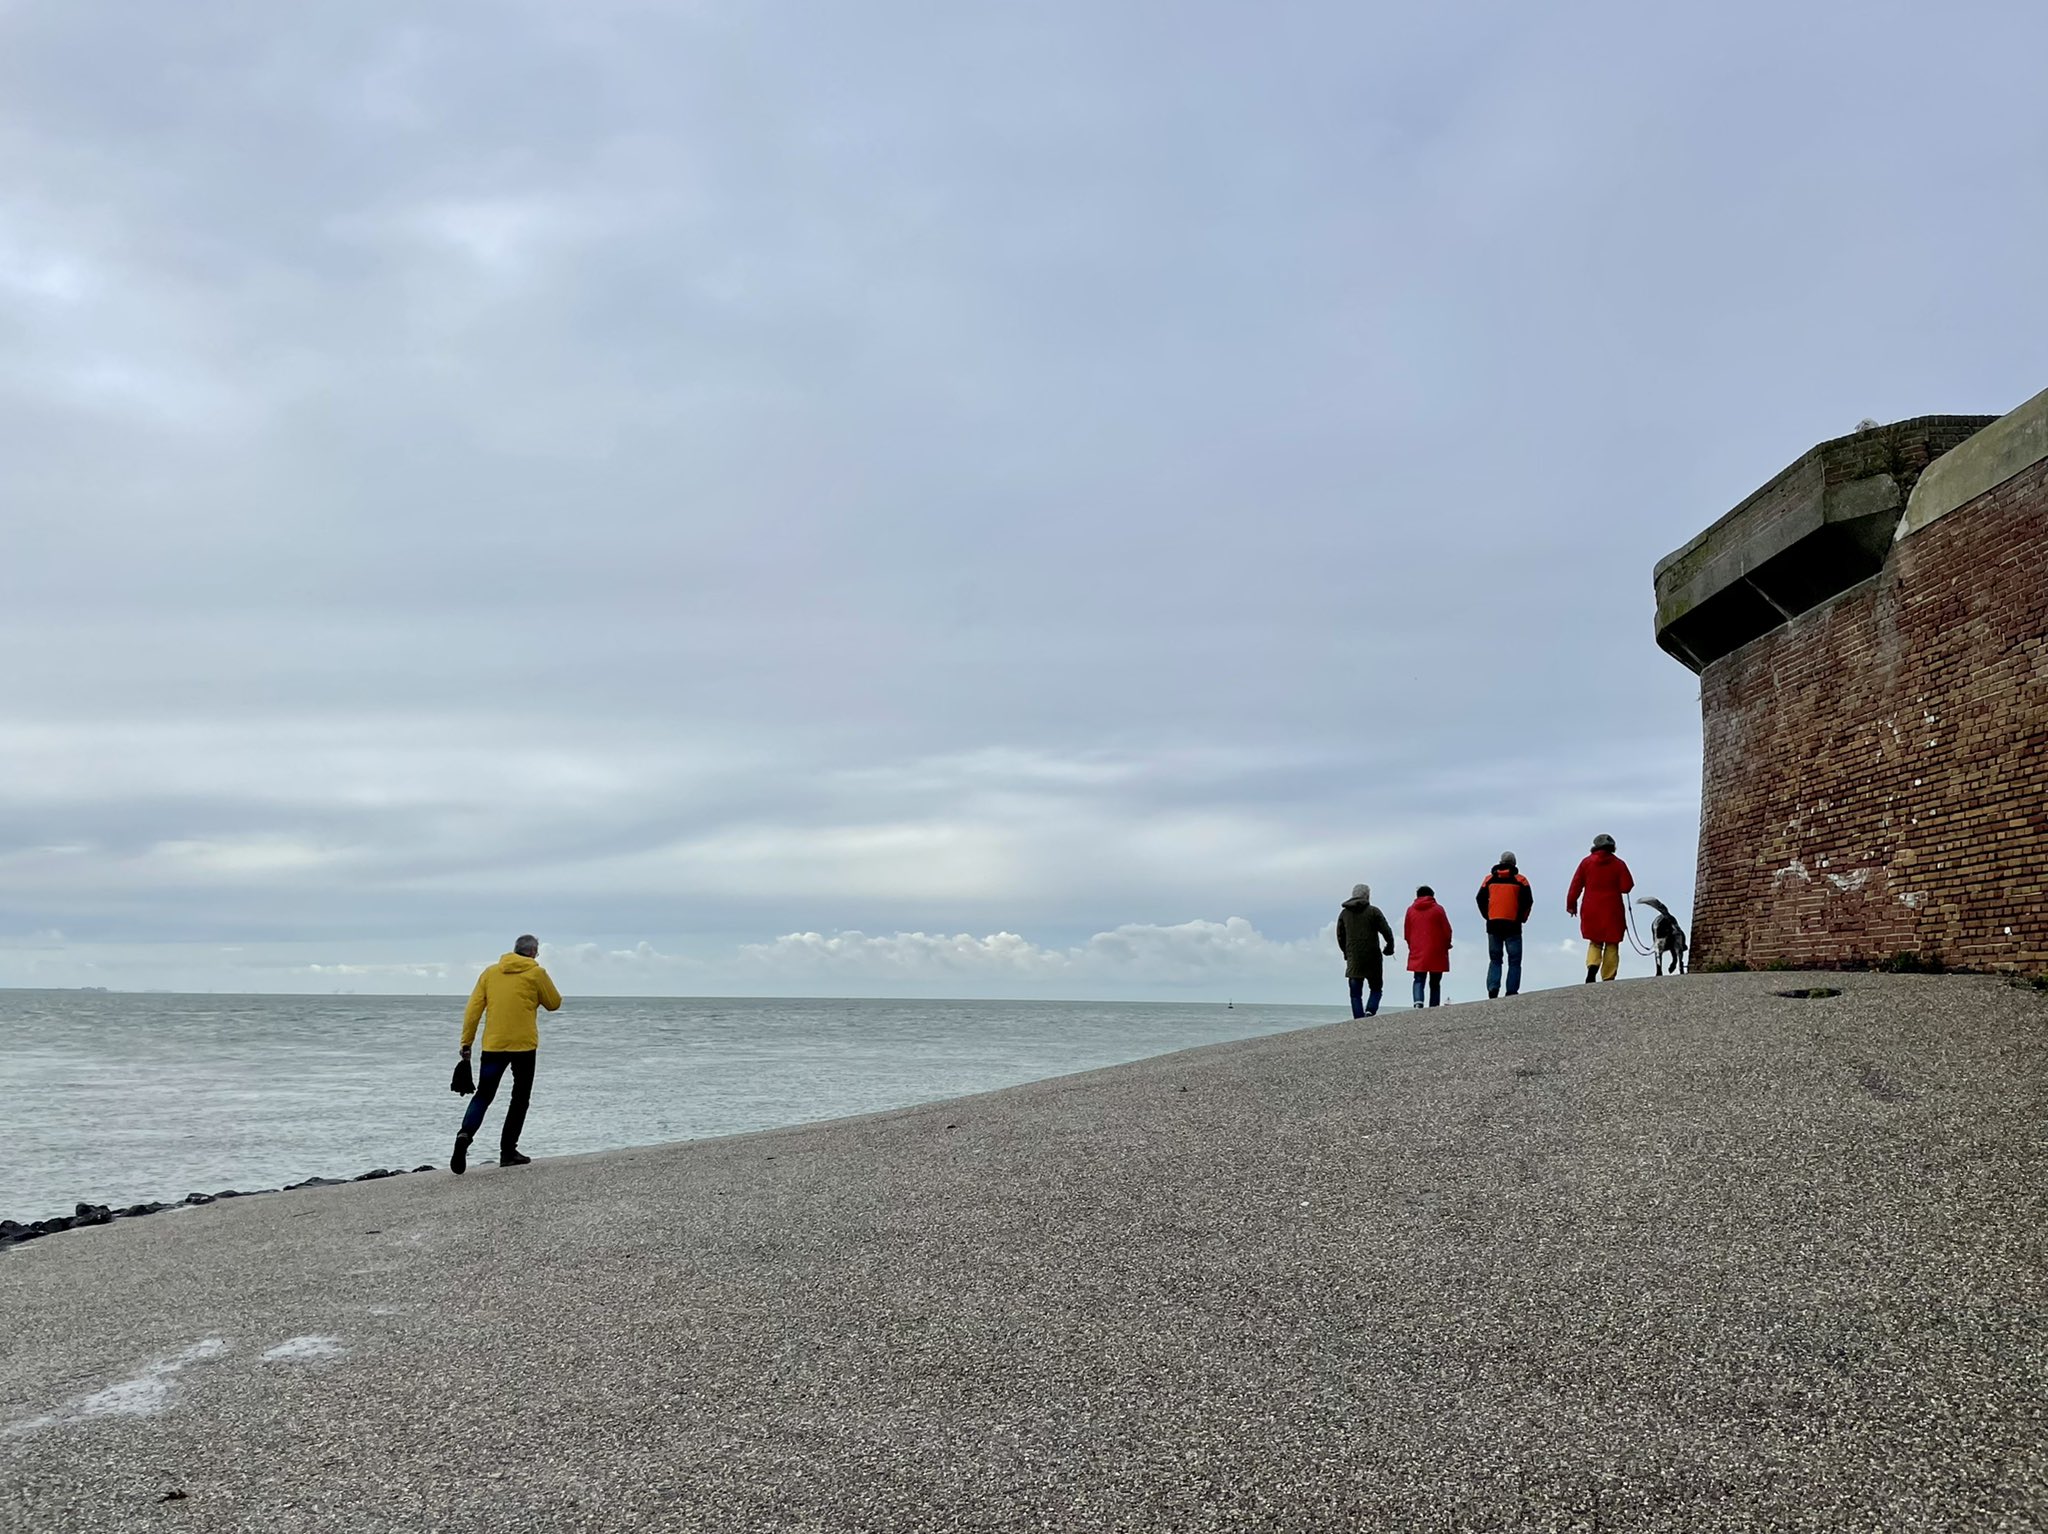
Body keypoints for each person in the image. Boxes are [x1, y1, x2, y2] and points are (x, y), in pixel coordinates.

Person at [451, 934, 563, 1174]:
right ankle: (508, 1152)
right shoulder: (536, 973)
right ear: (533, 952)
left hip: (493, 1046)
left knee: (483, 1095)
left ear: (514, 950)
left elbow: (473, 1009)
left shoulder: (490, 973)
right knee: (520, 1099)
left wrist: (466, 1042)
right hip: (524, 1047)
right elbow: (554, 1003)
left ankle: (464, 1135)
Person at [1566, 835, 1635, 983]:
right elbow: (1626, 887)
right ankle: (1608, 977)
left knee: (1595, 941)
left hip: (1591, 908)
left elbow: (1575, 885)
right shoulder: (1619, 864)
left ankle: (1592, 967)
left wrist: (1571, 905)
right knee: (1612, 943)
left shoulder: (1586, 863)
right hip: (1612, 909)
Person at [1475, 852, 1534, 997]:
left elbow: (1479, 899)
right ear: (1514, 864)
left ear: (1500, 862)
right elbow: (1528, 901)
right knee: (1514, 961)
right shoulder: (1521, 880)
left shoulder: (1488, 880)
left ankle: (1493, 988)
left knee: (1495, 959)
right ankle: (1511, 991)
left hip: (1493, 924)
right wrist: (1521, 918)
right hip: (1513, 925)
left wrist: (1487, 916)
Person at [1337, 883, 1395, 1018]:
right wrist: (1390, 947)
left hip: (1354, 959)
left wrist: (1346, 952)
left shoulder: (1344, 914)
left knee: (1355, 994)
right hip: (1373, 957)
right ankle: (1370, 1012)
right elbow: (1386, 930)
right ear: (1367, 896)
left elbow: (1340, 936)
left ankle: (1358, 1019)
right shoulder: (1373, 911)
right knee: (1376, 988)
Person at [1403, 886, 1452, 1008]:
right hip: (1437, 949)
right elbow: (1447, 930)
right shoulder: (1438, 909)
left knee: (1419, 979)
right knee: (1435, 982)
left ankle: (1418, 1002)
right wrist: (1447, 944)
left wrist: (1411, 946)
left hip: (1418, 949)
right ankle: (1433, 1006)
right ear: (1432, 895)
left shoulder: (1410, 910)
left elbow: (1407, 932)